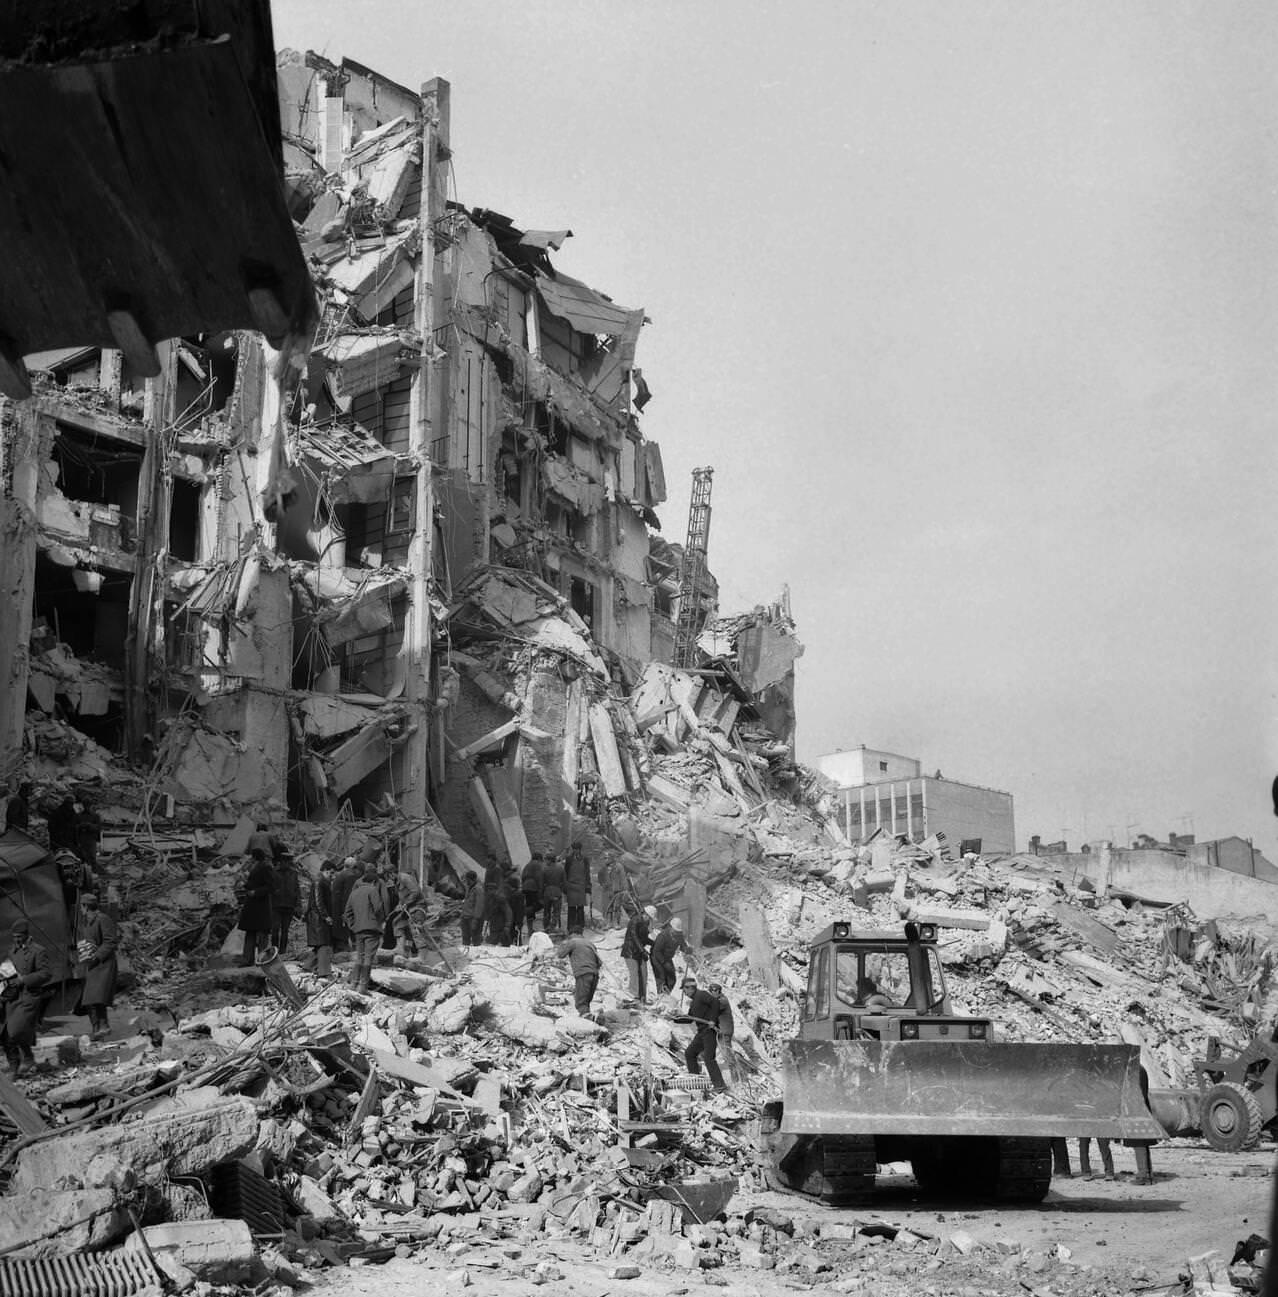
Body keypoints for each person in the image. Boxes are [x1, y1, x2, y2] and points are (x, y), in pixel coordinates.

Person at [1, 920, 50, 1077]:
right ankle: (17, 1065)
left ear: (27, 935)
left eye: (19, 936)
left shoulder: (38, 951)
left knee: (16, 1030)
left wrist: (24, 979)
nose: (17, 940)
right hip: (12, 997)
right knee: (6, 1033)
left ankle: (27, 1057)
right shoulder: (12, 952)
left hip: (30, 996)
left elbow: (46, 974)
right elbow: (7, 972)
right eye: (14, 937)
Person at [77, 893, 119, 1039]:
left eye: (82, 906)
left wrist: (96, 955)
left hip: (104, 964)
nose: (81, 909)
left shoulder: (103, 919)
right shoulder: (88, 922)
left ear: (85, 906)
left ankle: (103, 1026)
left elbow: (111, 941)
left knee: (97, 996)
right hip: (93, 965)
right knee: (90, 998)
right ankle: (97, 1028)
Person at [343, 865, 387, 992]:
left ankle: (354, 984)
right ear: (373, 881)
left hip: (358, 930)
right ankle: (363, 987)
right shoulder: (373, 890)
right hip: (372, 929)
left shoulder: (354, 893)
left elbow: (347, 913)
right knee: (368, 958)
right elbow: (378, 909)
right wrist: (380, 922)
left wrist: (353, 926)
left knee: (359, 957)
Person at [683, 977, 729, 1092]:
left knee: (709, 1058)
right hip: (701, 1033)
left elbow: (715, 1003)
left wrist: (713, 1020)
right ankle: (695, 1081)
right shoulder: (694, 1003)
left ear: (690, 988)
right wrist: (673, 1018)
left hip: (709, 1032)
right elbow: (689, 1019)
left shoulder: (701, 995)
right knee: (690, 1053)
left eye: (685, 990)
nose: (684, 993)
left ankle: (719, 1085)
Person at [236, 847, 276, 967]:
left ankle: (261, 960)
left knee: (262, 934)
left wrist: (256, 892)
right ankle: (247, 959)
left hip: (260, 906)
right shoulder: (255, 867)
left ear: (255, 857)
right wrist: (245, 884)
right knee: (250, 933)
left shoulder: (265, 867)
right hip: (252, 906)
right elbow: (254, 883)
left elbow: (271, 886)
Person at [556, 926, 601, 1017]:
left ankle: (587, 1022)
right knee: (586, 1000)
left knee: (581, 1002)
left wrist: (563, 944)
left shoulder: (573, 942)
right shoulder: (589, 943)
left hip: (583, 973)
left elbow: (560, 955)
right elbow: (599, 962)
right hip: (594, 974)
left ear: (572, 933)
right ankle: (590, 1019)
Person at [304, 860, 336, 976]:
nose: (333, 876)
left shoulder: (321, 882)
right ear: (325, 871)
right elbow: (318, 902)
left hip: (317, 918)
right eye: (331, 873)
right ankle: (324, 971)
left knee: (319, 945)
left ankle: (307, 966)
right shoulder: (319, 882)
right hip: (318, 919)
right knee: (324, 945)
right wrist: (326, 916)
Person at [621, 904, 656, 1003]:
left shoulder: (646, 923)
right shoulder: (634, 921)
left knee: (644, 973)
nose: (648, 919)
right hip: (630, 952)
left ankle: (642, 997)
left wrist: (653, 943)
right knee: (635, 973)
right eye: (648, 917)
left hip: (639, 952)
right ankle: (633, 996)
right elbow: (634, 937)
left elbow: (644, 938)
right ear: (644, 914)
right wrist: (642, 950)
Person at [270, 852, 301, 955]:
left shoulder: (294, 873)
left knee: (285, 930)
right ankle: (275, 950)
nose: (287, 863)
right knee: (275, 929)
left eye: (288, 861)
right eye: (285, 861)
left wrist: (298, 905)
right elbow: (270, 889)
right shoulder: (274, 872)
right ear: (281, 861)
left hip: (289, 905)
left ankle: (282, 951)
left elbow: (297, 889)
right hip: (276, 905)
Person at [392, 864, 425, 959]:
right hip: (407, 908)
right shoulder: (397, 881)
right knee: (398, 923)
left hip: (417, 906)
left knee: (415, 928)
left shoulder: (405, 878)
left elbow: (415, 891)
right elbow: (402, 896)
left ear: (391, 874)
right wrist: (399, 904)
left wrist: (405, 903)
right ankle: (401, 950)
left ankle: (422, 956)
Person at [650, 915, 688, 995]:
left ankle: (666, 994)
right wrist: (663, 962)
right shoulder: (663, 936)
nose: (676, 932)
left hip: (667, 957)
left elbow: (682, 945)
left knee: (672, 979)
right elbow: (656, 951)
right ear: (670, 927)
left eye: (677, 931)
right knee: (661, 977)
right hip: (656, 958)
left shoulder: (679, 935)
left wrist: (687, 949)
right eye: (675, 930)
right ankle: (661, 996)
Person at [329, 856, 359, 953]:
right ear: (353, 866)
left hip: (335, 907)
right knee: (345, 929)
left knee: (338, 929)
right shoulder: (350, 876)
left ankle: (339, 948)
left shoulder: (339, 875)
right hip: (342, 908)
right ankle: (344, 949)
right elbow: (348, 895)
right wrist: (347, 911)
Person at [564, 843, 591, 932]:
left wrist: (588, 886)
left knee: (580, 907)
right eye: (574, 849)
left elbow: (587, 874)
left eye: (577, 849)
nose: (575, 851)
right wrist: (566, 886)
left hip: (581, 886)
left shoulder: (585, 859)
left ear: (580, 849)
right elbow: (566, 873)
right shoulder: (569, 859)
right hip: (571, 886)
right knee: (571, 907)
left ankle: (580, 926)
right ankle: (571, 927)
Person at [484, 870, 511, 946]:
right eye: (488, 890)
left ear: (495, 890)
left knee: (504, 947)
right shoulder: (491, 899)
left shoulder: (500, 899)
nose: (489, 892)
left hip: (501, 928)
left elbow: (508, 912)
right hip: (494, 927)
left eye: (490, 890)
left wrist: (507, 925)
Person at [602, 857, 631, 926]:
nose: (606, 859)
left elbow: (623, 878)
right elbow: (603, 878)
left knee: (617, 906)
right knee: (609, 907)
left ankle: (616, 922)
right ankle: (608, 922)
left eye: (607, 858)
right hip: (608, 890)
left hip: (617, 890)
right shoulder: (605, 868)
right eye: (605, 858)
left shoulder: (619, 866)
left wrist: (626, 888)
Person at [74, 800, 101, 871]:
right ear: (83, 805)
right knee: (81, 858)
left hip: (91, 839)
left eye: (88, 805)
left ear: (90, 805)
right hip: (82, 839)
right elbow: (74, 828)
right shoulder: (78, 816)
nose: (87, 807)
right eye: (86, 805)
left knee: (92, 858)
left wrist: (90, 826)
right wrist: (80, 826)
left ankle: (94, 873)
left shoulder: (95, 816)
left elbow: (99, 828)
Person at [521, 853, 544, 936]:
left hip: (525, 887)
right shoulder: (537, 865)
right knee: (539, 904)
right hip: (533, 887)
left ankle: (530, 929)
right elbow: (539, 878)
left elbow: (522, 877)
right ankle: (525, 911)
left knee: (529, 905)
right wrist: (540, 891)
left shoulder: (527, 865)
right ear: (539, 858)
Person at [541, 853, 565, 932]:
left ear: (549, 860)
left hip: (547, 892)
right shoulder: (561, 868)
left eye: (546, 860)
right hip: (557, 891)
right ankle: (553, 926)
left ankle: (546, 926)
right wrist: (561, 889)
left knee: (546, 910)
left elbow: (542, 882)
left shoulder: (544, 869)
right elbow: (564, 881)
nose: (545, 861)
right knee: (556, 911)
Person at [460, 871, 485, 946]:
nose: (466, 881)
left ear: (471, 879)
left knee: (476, 938)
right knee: (465, 938)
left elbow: (479, 905)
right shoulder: (469, 888)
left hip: (473, 918)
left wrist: (475, 919)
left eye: (467, 879)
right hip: (465, 917)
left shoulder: (478, 889)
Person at [505, 865, 525, 945]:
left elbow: (519, 909)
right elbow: (520, 909)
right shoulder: (517, 894)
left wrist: (518, 921)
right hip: (515, 918)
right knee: (515, 935)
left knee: (514, 935)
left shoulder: (514, 895)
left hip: (513, 918)